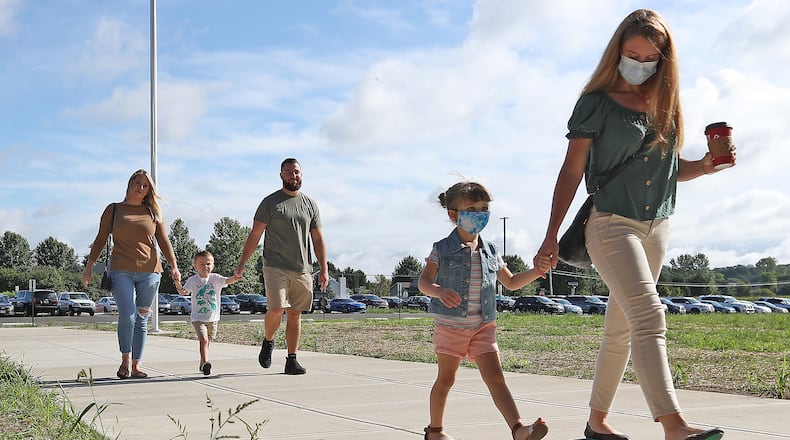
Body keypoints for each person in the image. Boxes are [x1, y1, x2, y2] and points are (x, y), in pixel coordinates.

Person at [533, 9, 732, 440]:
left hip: (657, 226)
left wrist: (706, 165)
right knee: (649, 316)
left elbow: (667, 168)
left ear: (663, 60)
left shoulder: (667, 103)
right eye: (631, 54)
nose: (639, 64)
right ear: (617, 51)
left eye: (649, 58)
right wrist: (550, 234)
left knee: (621, 327)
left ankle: (596, 422)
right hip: (611, 224)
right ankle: (673, 424)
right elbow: (571, 171)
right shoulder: (595, 103)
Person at [418, 181, 551, 440]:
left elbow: (510, 282)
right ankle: (435, 431)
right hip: (451, 326)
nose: (479, 214)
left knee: (496, 379)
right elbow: (423, 282)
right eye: (471, 208)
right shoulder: (442, 249)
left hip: (483, 327)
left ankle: (518, 429)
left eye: (484, 208)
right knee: (446, 380)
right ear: (453, 214)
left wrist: (537, 271)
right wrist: (439, 291)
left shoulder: (491, 250)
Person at [82, 169, 181, 379]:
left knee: (142, 319)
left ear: (149, 190)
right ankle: (125, 360)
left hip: (151, 273)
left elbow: (164, 241)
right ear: (130, 184)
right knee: (127, 316)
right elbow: (100, 238)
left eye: (146, 186)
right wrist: (90, 265)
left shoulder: (154, 212)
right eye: (138, 183)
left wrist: (173, 265)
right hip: (120, 270)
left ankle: (136, 366)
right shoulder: (114, 209)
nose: (141, 188)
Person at [234, 158, 329, 375]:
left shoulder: (310, 204)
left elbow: (317, 239)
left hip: (303, 267)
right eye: (288, 172)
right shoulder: (270, 203)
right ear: (281, 175)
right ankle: (268, 341)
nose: (293, 176)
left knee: (295, 314)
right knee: (276, 308)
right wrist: (241, 264)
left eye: (296, 172)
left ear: (301, 175)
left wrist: (323, 268)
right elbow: (255, 234)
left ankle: (291, 359)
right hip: (275, 265)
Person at [175, 250, 240, 376]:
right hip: (197, 317)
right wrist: (177, 283)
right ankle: (206, 363)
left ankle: (202, 363)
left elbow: (228, 280)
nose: (205, 266)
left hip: (213, 317)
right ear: (196, 266)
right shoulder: (193, 280)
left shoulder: (215, 278)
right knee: (203, 340)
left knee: (207, 341)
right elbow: (184, 292)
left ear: (213, 265)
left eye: (208, 264)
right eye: (202, 264)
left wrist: (236, 278)